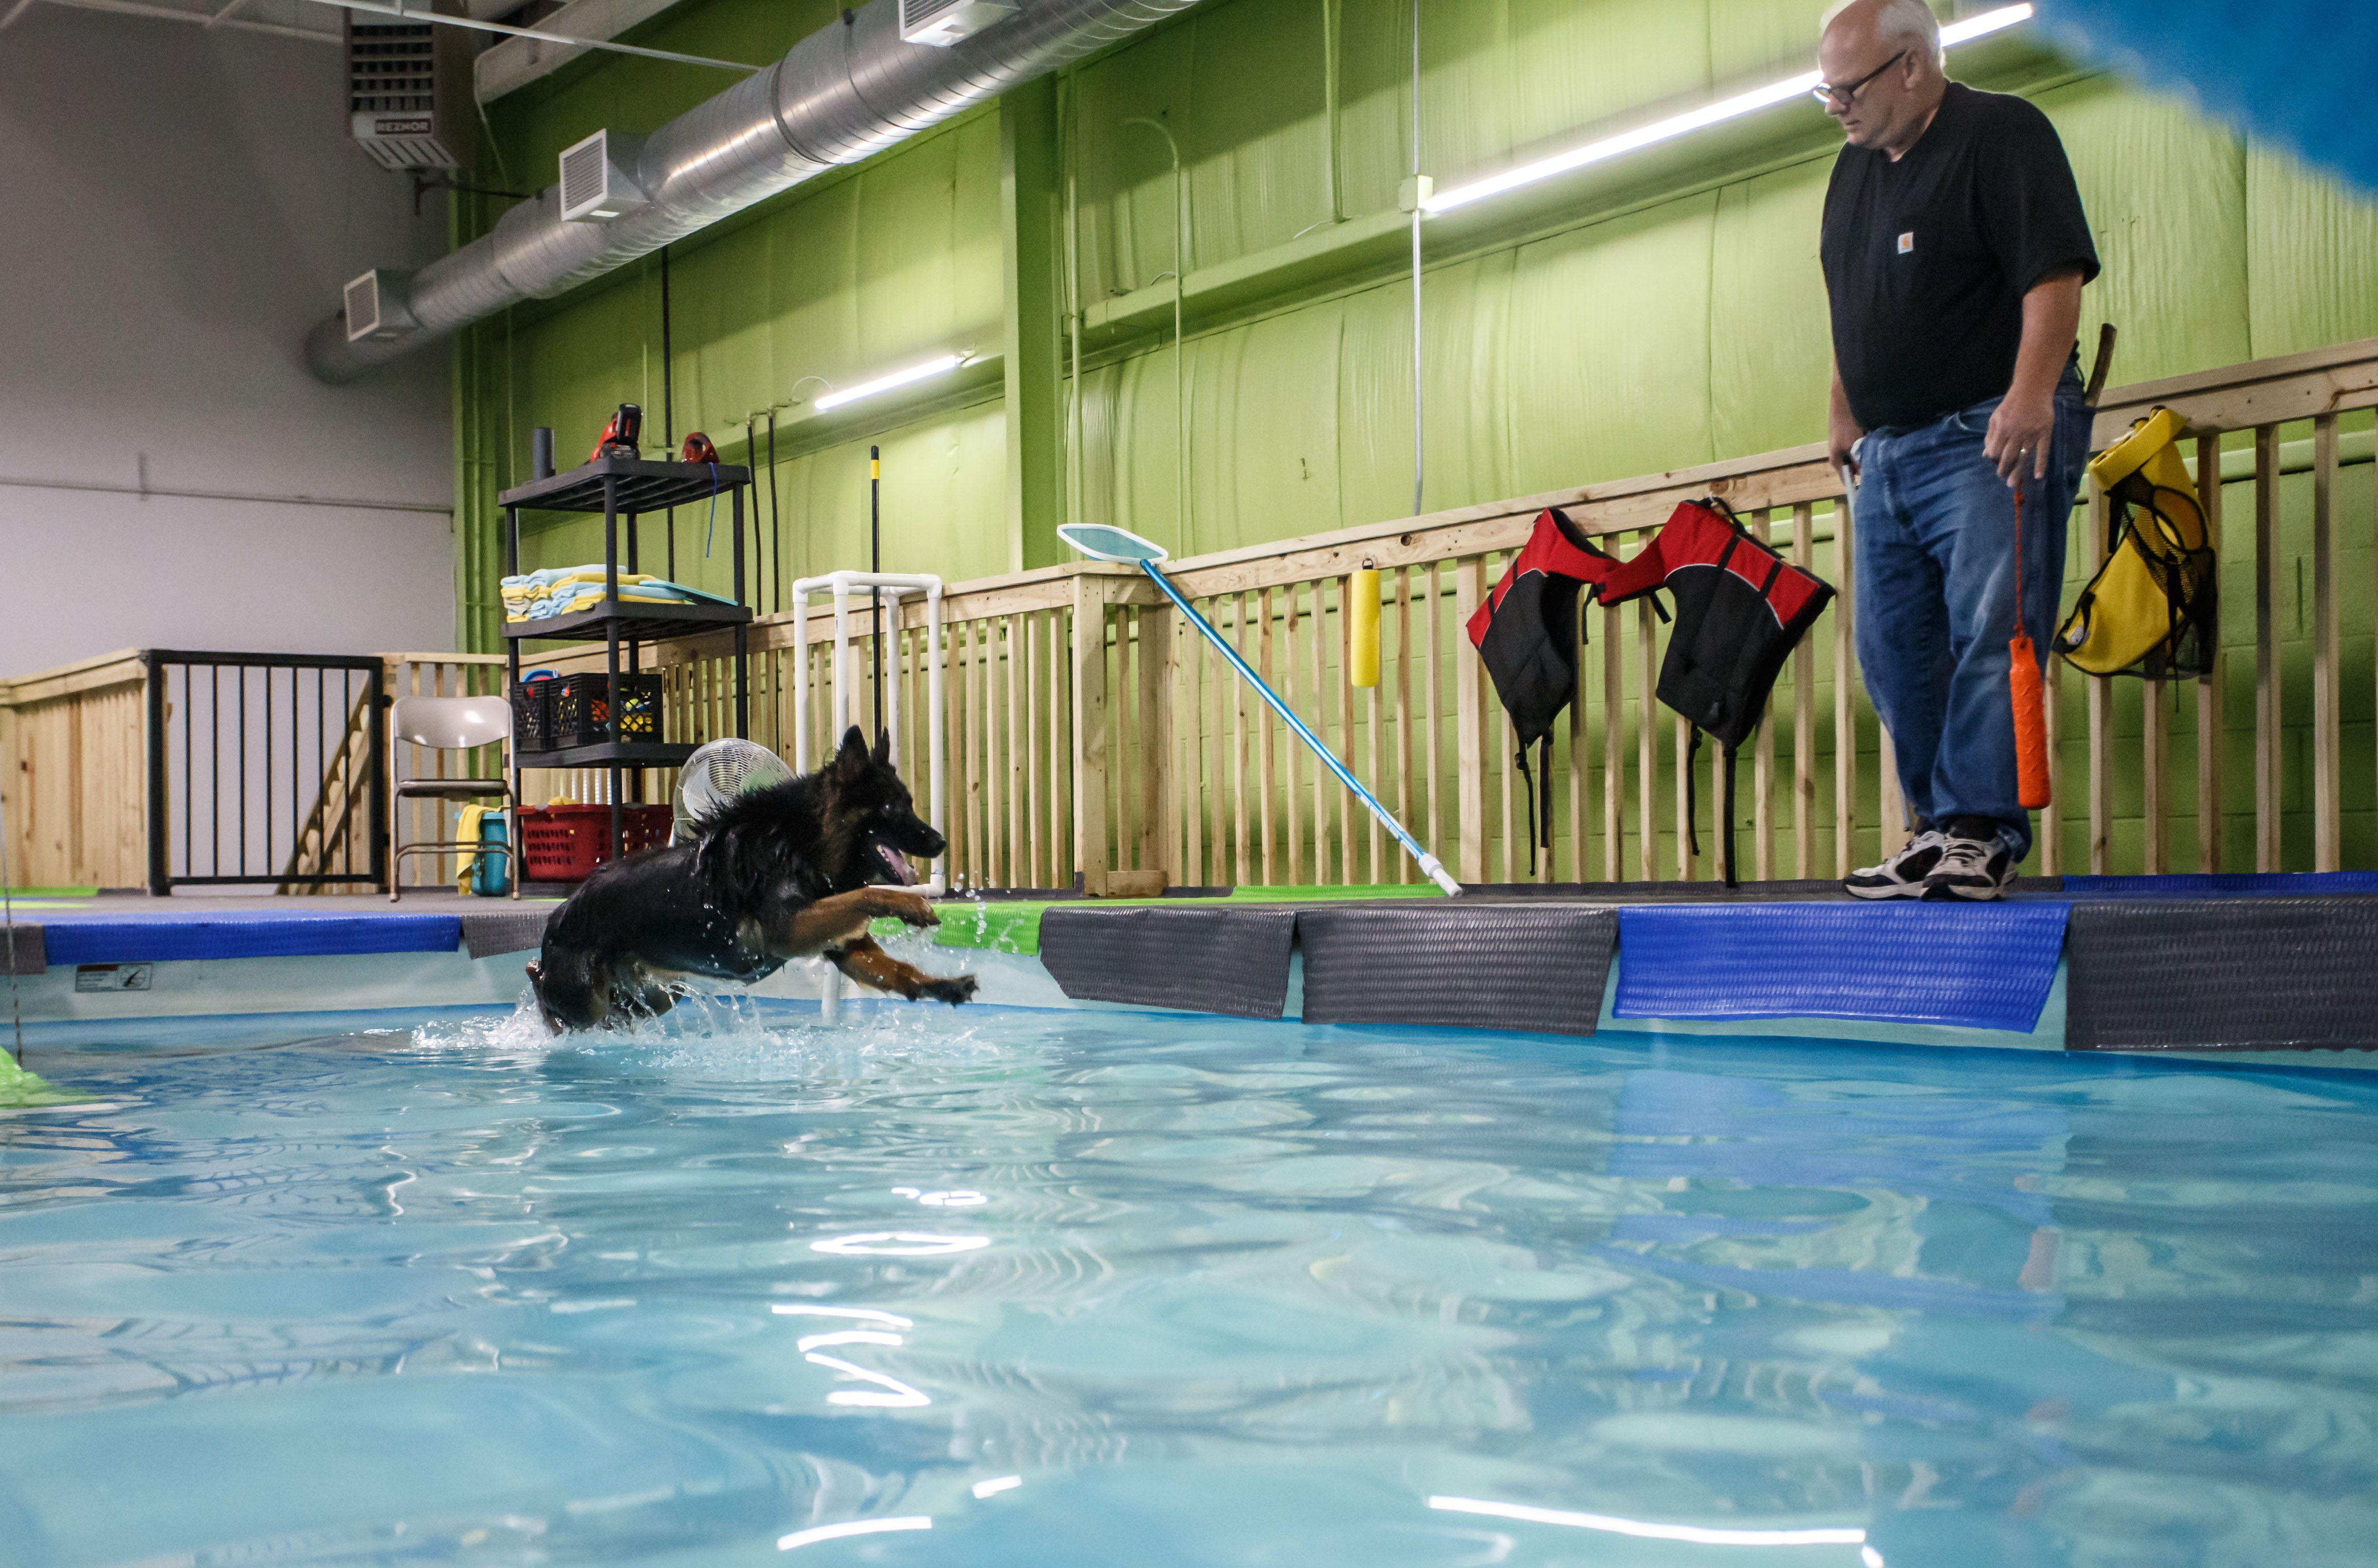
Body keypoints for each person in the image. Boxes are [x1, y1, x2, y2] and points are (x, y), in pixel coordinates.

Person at [1816, 0, 2099, 901]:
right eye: (1822, 93)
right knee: (1894, 649)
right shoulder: (1851, 172)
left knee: (1993, 630)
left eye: (1847, 89)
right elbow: (1850, 307)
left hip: (1986, 432)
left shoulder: (2002, 134)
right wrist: (1841, 409)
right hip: (1889, 454)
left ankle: (1982, 828)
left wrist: (2026, 397)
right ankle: (1938, 829)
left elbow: (2052, 277)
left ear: (1911, 65)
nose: (1837, 108)